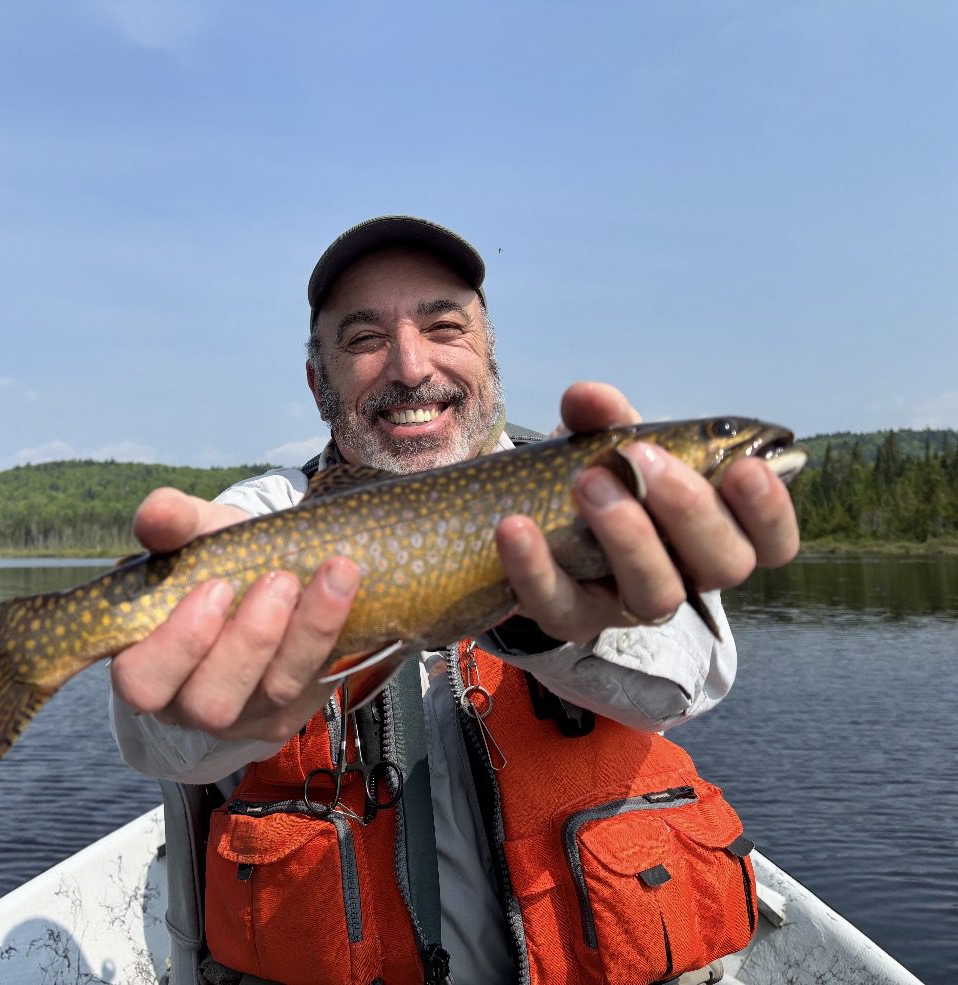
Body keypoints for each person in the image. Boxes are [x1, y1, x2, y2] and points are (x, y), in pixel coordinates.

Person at [109, 216, 800, 985]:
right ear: (317, 382)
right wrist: (195, 699)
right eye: (365, 338)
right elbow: (155, 740)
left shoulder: (596, 494)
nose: (411, 365)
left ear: (489, 353)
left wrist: (547, 611)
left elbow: (692, 679)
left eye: (443, 327)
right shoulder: (265, 516)